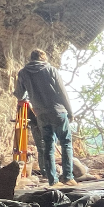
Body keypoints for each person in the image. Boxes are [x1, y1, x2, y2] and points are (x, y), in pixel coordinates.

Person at [14, 49, 76, 186]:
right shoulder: (51, 70)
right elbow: (62, 92)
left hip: (41, 114)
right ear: (43, 58)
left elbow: (19, 95)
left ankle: (53, 181)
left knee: (48, 146)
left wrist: (30, 97)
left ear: (31, 59)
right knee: (66, 143)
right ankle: (68, 177)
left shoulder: (23, 73)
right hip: (58, 111)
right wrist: (70, 112)